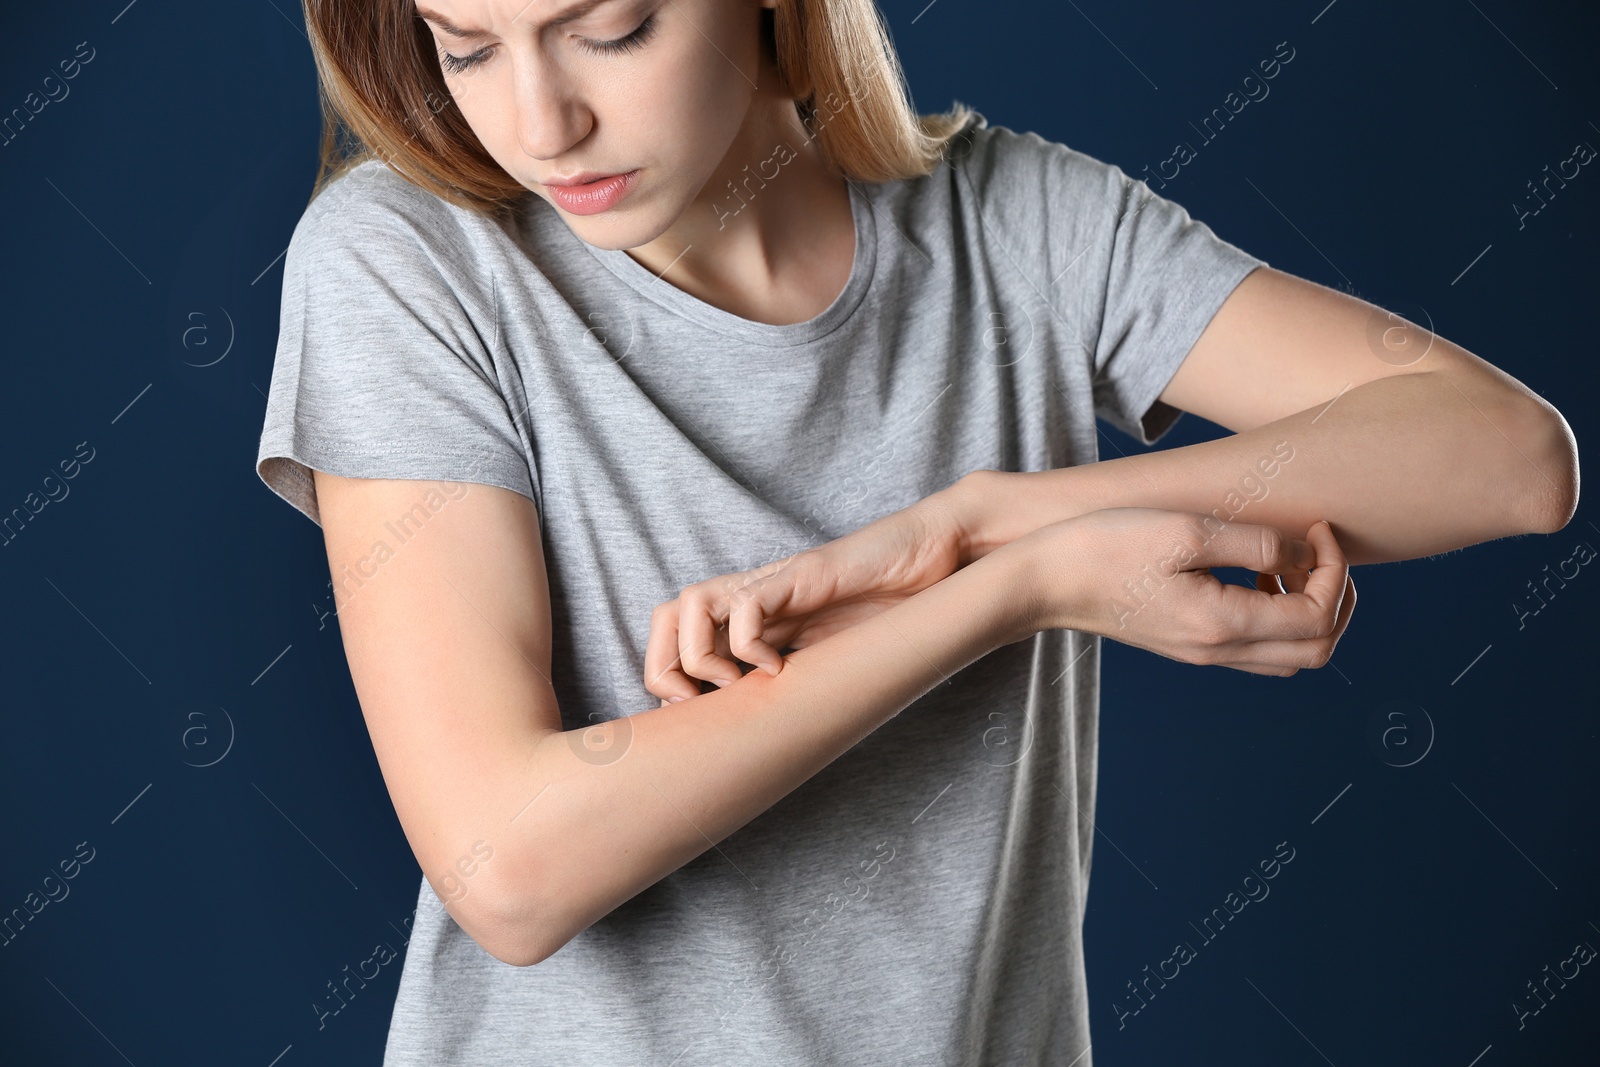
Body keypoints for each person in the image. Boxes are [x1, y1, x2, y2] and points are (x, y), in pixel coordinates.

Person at [254, 0, 1579, 1063]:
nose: (543, 121)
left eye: (612, 28)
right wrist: (1012, 586)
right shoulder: (407, 258)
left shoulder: (1021, 225)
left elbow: (1511, 460)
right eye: (467, 46)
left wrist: (987, 516)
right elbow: (512, 866)